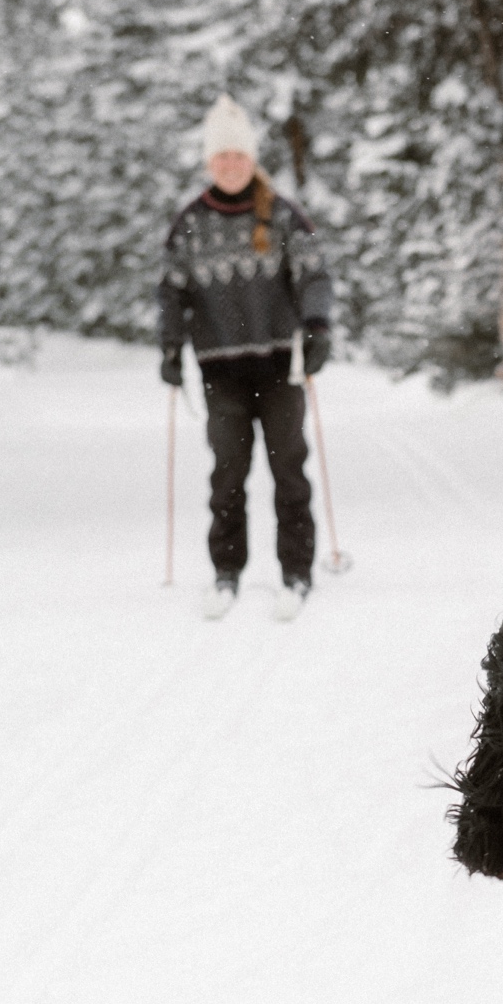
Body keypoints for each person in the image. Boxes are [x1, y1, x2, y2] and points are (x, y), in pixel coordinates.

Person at [158, 95, 335, 620]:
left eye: (238, 155)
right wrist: (169, 346)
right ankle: (226, 572)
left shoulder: (282, 214)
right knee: (227, 477)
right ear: (209, 163)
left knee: (289, 473)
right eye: (220, 157)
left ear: (251, 158)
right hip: (221, 371)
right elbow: (171, 292)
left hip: (281, 366)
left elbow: (314, 275)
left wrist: (318, 325)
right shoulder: (189, 221)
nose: (230, 165)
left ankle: (296, 572)